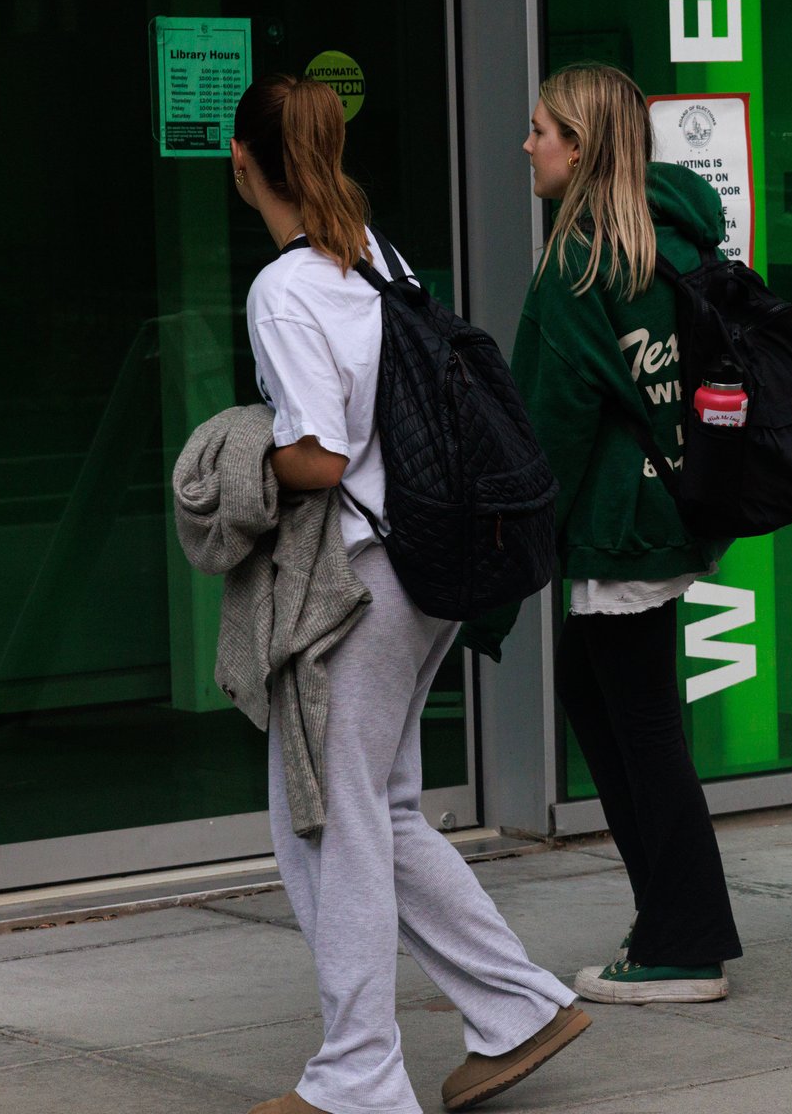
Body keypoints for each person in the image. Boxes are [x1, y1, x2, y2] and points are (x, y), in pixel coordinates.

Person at [230, 73, 587, 1114]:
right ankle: (518, 1008)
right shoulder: (373, 257)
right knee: (378, 811)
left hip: (358, 579)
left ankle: (356, 1080)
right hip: (425, 568)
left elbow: (320, 455)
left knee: (324, 824)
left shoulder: (284, 287)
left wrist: (237, 450)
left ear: (243, 162)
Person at [493, 61, 745, 1003]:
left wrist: (505, 550)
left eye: (542, 130)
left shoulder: (579, 263)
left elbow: (544, 427)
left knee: (640, 730)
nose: (527, 146)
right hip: (666, 517)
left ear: (581, 146)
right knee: (615, 714)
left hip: (616, 531)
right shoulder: (671, 239)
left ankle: (686, 942)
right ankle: (668, 920)